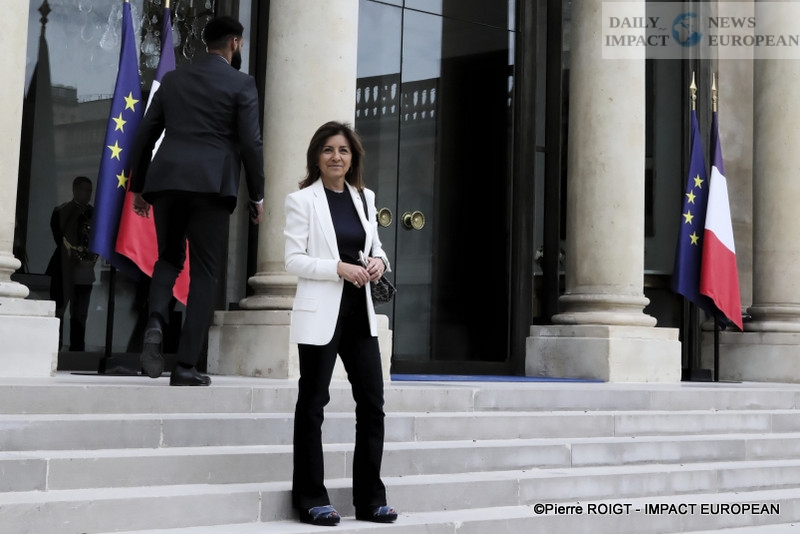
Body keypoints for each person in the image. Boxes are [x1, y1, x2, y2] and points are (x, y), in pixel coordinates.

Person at [127, 16, 265, 386]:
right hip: (212, 186)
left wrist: (139, 186)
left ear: (206, 43)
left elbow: (145, 133)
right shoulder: (242, 83)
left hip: (167, 181)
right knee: (205, 272)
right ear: (235, 43)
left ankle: (156, 319)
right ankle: (185, 366)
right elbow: (251, 143)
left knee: (168, 258)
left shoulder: (173, 80)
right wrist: (258, 194)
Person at [284, 121, 398, 526]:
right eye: (329, 150)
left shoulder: (365, 198)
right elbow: (292, 260)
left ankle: (371, 499)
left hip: (360, 314)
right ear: (318, 156)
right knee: (313, 404)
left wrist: (377, 261)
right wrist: (338, 268)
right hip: (322, 314)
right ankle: (311, 497)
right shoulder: (301, 201)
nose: (337, 157)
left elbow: (376, 246)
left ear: (353, 159)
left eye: (344, 151)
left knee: (372, 404)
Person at [46, 176, 97, 351]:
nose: (87, 194)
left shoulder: (94, 214)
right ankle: (55, 347)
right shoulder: (62, 211)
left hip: (84, 269)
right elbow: (59, 238)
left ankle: (77, 351)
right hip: (63, 266)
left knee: (80, 314)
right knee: (59, 310)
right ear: (75, 190)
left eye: (90, 190)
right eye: (84, 189)